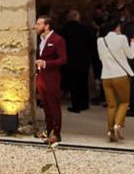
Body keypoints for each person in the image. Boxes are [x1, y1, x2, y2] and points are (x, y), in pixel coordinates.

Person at [97, 20, 134, 142]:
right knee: (124, 102)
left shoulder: (100, 41)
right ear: (116, 28)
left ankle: (110, 131)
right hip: (120, 75)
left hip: (106, 76)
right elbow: (130, 55)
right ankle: (118, 125)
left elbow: (101, 58)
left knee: (111, 105)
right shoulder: (121, 38)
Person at [34, 15, 68, 145]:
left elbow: (63, 59)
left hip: (52, 78)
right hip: (41, 77)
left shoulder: (58, 40)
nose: (36, 26)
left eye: (39, 24)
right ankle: (48, 131)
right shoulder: (40, 40)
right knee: (45, 106)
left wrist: (45, 63)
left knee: (54, 106)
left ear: (47, 26)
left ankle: (57, 134)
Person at [59, 10, 96, 113]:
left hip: (70, 60)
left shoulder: (63, 30)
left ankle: (76, 105)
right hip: (83, 60)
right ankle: (84, 103)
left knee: (73, 83)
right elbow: (92, 43)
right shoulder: (84, 29)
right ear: (77, 18)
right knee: (83, 82)